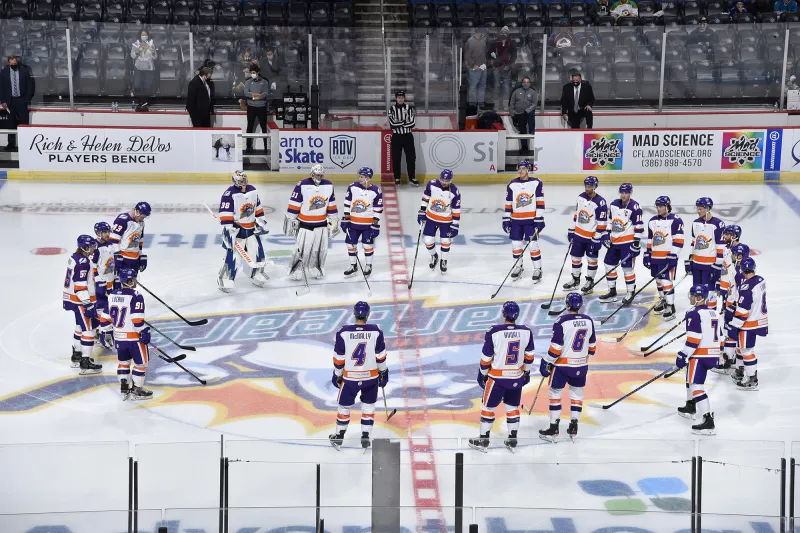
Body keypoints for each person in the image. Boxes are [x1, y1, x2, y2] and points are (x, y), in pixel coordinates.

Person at [469, 301, 535, 452]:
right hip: (516, 378)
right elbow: (529, 356)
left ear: (503, 314)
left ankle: (483, 440)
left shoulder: (494, 331)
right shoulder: (526, 331)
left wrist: (483, 374)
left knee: (487, 407)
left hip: (497, 379)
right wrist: (526, 372)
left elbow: (486, 357)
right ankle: (512, 439)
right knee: (512, 407)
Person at [329, 301, 388, 450]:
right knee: (368, 406)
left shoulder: (344, 332)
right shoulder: (376, 331)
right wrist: (383, 371)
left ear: (354, 314)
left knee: (344, 407)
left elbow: (339, 358)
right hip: (371, 378)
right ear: (368, 314)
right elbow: (381, 356)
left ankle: (339, 436)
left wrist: (337, 374)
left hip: (350, 378)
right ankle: (366, 436)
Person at [539, 292, 596, 442]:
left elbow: (556, 349)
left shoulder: (561, 321)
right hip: (581, 365)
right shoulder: (588, 320)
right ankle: (574, 425)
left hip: (562, 366)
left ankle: (553, 427)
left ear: (566, 304)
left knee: (555, 394)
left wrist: (547, 361)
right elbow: (592, 347)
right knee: (577, 393)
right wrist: (580, 359)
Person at [675, 285, 720, 435]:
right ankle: (690, 406)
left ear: (699, 297)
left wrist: (683, 354)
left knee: (696, 386)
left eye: (693, 295)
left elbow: (694, 340)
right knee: (690, 378)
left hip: (699, 355)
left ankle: (708, 421)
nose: (690, 298)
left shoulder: (693, 313)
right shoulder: (714, 312)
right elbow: (720, 336)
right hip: (712, 354)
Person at [285, 164, 340, 280]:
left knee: (320, 249)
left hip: (321, 224)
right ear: (312, 174)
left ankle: (316, 268)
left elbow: (331, 203)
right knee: (301, 250)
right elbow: (294, 202)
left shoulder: (329, 185)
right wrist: (291, 218)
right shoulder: (302, 184)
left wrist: (333, 219)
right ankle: (296, 270)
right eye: (317, 175)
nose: (319, 177)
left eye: (321, 175)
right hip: (305, 225)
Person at [217, 171, 269, 292]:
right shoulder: (229, 194)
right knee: (234, 258)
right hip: (237, 232)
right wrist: (229, 228)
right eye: (241, 181)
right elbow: (225, 214)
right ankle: (226, 279)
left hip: (251, 230)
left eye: (245, 180)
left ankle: (255, 274)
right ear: (235, 181)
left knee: (257, 253)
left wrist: (261, 222)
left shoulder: (252, 190)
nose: (244, 183)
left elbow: (258, 208)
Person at [110, 268, 153, 400]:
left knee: (124, 362)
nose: (135, 281)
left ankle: (124, 386)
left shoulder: (112, 295)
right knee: (141, 364)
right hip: (134, 339)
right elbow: (137, 321)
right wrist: (144, 331)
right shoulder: (136, 296)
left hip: (118, 337)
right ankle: (137, 389)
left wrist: (105, 332)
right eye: (133, 278)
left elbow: (105, 317)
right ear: (129, 280)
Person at [598, 183, 644, 303]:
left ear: (630, 193)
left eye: (626, 193)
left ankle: (630, 292)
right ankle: (612, 291)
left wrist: (636, 243)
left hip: (627, 243)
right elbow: (610, 221)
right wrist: (607, 234)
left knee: (627, 268)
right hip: (614, 242)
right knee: (608, 264)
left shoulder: (635, 207)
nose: (624, 195)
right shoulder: (613, 204)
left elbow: (639, 226)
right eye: (622, 193)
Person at [64, 235, 103, 374]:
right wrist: (88, 304)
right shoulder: (83, 262)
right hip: (81, 300)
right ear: (85, 247)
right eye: (92, 246)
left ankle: (77, 356)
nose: (94, 248)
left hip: (73, 299)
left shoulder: (75, 257)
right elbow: (80, 286)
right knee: (89, 330)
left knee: (79, 326)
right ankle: (85, 362)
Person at [563, 176, 607, 293]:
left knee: (592, 259)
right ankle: (575, 279)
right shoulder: (581, 197)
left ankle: (590, 281)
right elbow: (577, 215)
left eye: (589, 187)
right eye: (586, 186)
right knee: (575, 257)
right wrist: (572, 229)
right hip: (579, 235)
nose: (587, 188)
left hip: (591, 238)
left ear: (595, 187)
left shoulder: (600, 202)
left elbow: (602, 223)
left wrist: (597, 238)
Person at [729, 257, 768, 390]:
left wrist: (734, 325)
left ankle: (752, 379)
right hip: (758, 320)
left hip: (748, 323)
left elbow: (744, 310)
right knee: (741, 347)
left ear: (741, 270)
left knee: (746, 350)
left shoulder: (746, 287)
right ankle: (740, 371)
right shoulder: (760, 280)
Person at [503, 160, 545, 284]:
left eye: (523, 168)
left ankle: (538, 269)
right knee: (516, 245)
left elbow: (540, 202)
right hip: (516, 221)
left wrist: (539, 218)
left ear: (528, 170)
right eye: (519, 168)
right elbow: (508, 203)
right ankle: (518, 266)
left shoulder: (536, 183)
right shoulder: (512, 184)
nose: (521, 171)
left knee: (533, 245)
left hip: (531, 221)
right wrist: (506, 218)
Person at [644, 196, 684, 321]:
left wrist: (673, 255)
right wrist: (647, 253)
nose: (658, 209)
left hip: (667, 258)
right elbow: (651, 239)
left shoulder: (676, 220)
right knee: (658, 281)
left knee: (666, 281)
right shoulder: (652, 220)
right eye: (657, 206)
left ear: (667, 206)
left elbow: (679, 240)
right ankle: (663, 301)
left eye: (661, 206)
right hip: (655, 257)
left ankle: (670, 306)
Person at [342, 167, 383, 278]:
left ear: (368, 178)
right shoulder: (352, 187)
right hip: (353, 223)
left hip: (368, 225)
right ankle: (353, 265)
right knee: (350, 244)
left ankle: (368, 265)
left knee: (367, 245)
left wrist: (375, 224)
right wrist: (346, 218)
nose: (359, 178)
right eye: (359, 176)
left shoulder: (376, 191)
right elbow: (347, 202)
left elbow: (378, 208)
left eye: (362, 177)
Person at [418, 169, 461, 275]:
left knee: (445, 241)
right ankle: (434, 256)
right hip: (431, 218)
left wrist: (455, 225)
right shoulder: (431, 184)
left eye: (447, 181)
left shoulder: (455, 191)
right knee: (428, 240)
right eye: (442, 179)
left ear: (451, 180)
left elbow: (456, 210)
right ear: (439, 178)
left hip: (446, 221)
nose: (444, 182)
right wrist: (422, 211)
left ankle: (444, 260)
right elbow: (425, 198)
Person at [685, 197, 725, 310]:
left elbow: (720, 246)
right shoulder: (695, 223)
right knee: (697, 292)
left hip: (710, 266)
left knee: (710, 292)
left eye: (701, 209)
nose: (698, 211)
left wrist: (718, 265)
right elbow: (693, 242)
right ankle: (699, 313)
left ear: (708, 209)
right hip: (697, 265)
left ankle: (712, 314)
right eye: (697, 209)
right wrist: (690, 259)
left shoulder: (718, 224)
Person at [718, 242, 749, 376]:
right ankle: (731, 359)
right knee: (729, 332)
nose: (732, 255)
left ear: (740, 256)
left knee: (732, 334)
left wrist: (732, 305)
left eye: (735, 254)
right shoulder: (735, 268)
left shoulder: (741, 272)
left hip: (735, 307)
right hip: (731, 305)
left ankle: (730, 361)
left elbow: (740, 293)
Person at [0, 55, 34, 152]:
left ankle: (26, 142)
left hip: (21, 100)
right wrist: (3, 101)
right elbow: (1, 87)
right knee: (10, 122)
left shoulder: (24, 71)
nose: (14, 65)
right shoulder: (3, 73)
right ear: (9, 63)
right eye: (12, 63)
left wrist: (27, 99)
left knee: (24, 122)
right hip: (10, 101)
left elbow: (29, 86)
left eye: (15, 63)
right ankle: (11, 143)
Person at [92, 221, 116, 351]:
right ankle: (100, 335)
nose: (107, 234)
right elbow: (92, 267)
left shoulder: (111, 245)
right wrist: (98, 281)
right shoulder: (94, 247)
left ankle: (105, 332)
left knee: (108, 311)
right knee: (101, 310)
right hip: (99, 285)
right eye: (105, 232)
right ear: (98, 233)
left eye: (108, 232)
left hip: (110, 283)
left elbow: (112, 263)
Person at [109, 202, 151, 275]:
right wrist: (116, 255)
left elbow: (140, 240)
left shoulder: (141, 223)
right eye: (142, 217)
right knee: (121, 284)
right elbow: (113, 240)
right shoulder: (122, 220)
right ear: (137, 212)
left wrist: (140, 255)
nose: (142, 219)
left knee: (131, 285)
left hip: (134, 260)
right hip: (123, 259)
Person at [387, 90, 418, 186]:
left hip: (408, 136)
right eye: (399, 97)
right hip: (396, 137)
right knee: (396, 158)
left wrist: (399, 123)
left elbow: (412, 124)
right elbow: (392, 125)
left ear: (404, 98)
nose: (400, 99)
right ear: (396, 98)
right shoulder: (391, 109)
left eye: (402, 97)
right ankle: (397, 178)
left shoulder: (410, 108)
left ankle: (412, 178)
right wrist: (404, 122)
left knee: (411, 158)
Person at [241, 64, 270, 154]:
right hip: (251, 108)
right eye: (251, 73)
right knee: (249, 127)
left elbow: (265, 93)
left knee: (264, 128)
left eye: (254, 73)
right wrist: (255, 96)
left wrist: (257, 96)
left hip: (262, 108)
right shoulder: (248, 82)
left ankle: (266, 147)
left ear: (258, 73)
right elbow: (246, 93)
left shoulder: (264, 82)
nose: (252, 74)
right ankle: (248, 147)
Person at [489, 26, 516, 110]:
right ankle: (496, 104)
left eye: (505, 34)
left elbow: (514, 56)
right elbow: (489, 53)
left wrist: (509, 64)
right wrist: (492, 60)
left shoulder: (511, 43)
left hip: (506, 67)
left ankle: (505, 104)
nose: (503, 35)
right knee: (496, 85)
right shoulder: (494, 43)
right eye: (502, 34)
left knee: (505, 86)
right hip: (497, 66)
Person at [508, 77, 537, 154]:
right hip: (519, 114)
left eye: (527, 82)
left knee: (531, 114)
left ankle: (532, 131)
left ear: (530, 84)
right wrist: (513, 114)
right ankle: (524, 147)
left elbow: (534, 104)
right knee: (522, 130)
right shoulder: (516, 92)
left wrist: (527, 111)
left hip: (528, 113)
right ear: (522, 83)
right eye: (524, 82)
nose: (526, 84)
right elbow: (511, 104)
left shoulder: (533, 92)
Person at [465, 27, 488, 110]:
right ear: (478, 32)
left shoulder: (484, 40)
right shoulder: (470, 41)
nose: (483, 33)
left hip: (483, 66)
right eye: (482, 31)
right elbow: (467, 55)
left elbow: (486, 51)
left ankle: (481, 103)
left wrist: (485, 63)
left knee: (482, 86)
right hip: (474, 67)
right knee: (473, 86)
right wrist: (473, 64)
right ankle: (472, 103)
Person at [130, 30, 157, 102]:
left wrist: (153, 51)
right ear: (140, 36)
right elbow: (132, 56)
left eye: (145, 35)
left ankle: (146, 101)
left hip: (148, 67)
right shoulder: (136, 44)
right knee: (137, 84)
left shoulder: (151, 45)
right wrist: (138, 50)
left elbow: (155, 57)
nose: (144, 36)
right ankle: (138, 101)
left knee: (147, 85)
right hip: (138, 67)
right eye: (143, 35)